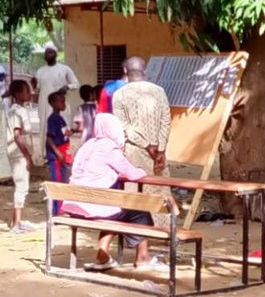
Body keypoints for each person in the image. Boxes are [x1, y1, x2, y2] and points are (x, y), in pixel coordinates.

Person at [61, 114, 167, 271]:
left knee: (115, 210)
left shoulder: (88, 145)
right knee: (138, 210)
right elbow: (133, 174)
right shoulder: (109, 147)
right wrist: (141, 170)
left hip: (74, 206)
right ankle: (143, 256)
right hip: (92, 207)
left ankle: (102, 256)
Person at [112, 57, 172, 227]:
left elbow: (123, 126)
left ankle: (136, 233)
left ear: (125, 71)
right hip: (158, 154)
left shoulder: (119, 95)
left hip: (134, 153)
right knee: (160, 193)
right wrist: (160, 149)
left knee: (133, 193)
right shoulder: (159, 91)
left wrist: (146, 145)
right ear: (145, 71)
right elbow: (166, 121)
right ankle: (165, 232)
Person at [33, 42, 79, 165]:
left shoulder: (64, 69)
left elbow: (76, 84)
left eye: (50, 52)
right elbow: (37, 88)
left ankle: (65, 153)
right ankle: (46, 155)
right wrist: (34, 84)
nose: (47, 54)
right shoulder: (40, 71)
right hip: (45, 106)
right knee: (45, 129)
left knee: (63, 129)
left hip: (61, 106)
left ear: (55, 54)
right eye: (46, 52)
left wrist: (67, 87)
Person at [3, 80, 36, 233]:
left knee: (22, 186)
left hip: (18, 153)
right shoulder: (16, 111)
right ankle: (16, 224)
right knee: (22, 187)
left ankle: (17, 220)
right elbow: (17, 136)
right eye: (26, 91)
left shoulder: (18, 110)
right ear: (17, 94)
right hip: (18, 155)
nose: (29, 94)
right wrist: (27, 156)